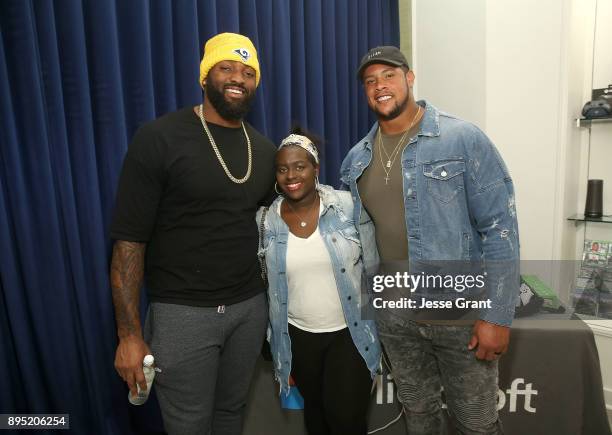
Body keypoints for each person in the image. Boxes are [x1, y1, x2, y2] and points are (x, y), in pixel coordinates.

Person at [340, 46, 520, 434]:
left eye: (388, 75)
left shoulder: (461, 138)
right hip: (395, 314)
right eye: (370, 81)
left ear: (409, 77)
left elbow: (500, 228)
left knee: (475, 423)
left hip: (459, 312)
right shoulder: (356, 159)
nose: (379, 86)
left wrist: (496, 315)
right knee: (419, 418)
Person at [110, 33, 276, 434]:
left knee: (231, 415)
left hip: (249, 310)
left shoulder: (266, 150)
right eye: (226, 68)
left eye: (248, 71)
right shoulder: (159, 138)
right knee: (188, 425)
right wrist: (129, 336)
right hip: (182, 314)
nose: (238, 77)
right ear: (205, 77)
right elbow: (129, 243)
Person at [257, 129, 381, 435]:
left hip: (349, 333)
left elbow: (374, 268)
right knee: (316, 419)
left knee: (345, 421)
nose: (291, 175)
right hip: (298, 337)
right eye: (283, 169)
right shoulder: (266, 220)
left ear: (315, 168)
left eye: (300, 166)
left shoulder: (347, 206)